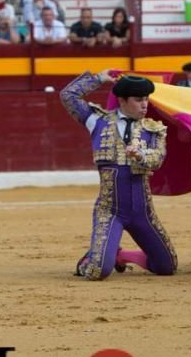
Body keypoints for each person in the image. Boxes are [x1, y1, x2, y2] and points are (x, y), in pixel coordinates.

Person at [60, 70, 176, 280]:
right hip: (110, 210)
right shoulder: (98, 121)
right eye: (138, 100)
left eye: (146, 99)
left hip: (143, 212)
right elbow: (68, 96)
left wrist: (140, 155)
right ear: (122, 100)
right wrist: (97, 79)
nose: (145, 104)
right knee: (98, 271)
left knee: (166, 266)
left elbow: (158, 159)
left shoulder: (154, 130)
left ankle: (120, 255)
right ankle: (94, 258)